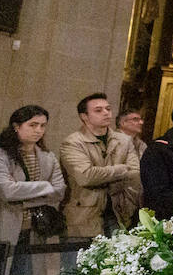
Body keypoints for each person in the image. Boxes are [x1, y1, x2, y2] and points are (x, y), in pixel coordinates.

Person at [0, 105, 66, 275]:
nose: (38, 130)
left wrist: (23, 196)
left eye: (43, 125)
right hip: (3, 230)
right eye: (33, 125)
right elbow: (7, 191)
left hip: (35, 230)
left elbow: (59, 191)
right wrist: (44, 187)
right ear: (16, 126)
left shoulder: (48, 157)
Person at [59, 93, 142, 241]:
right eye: (98, 110)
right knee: (77, 263)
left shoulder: (124, 140)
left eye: (108, 109)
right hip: (83, 217)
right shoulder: (73, 142)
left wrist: (103, 176)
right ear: (84, 116)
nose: (106, 113)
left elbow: (134, 173)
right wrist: (119, 170)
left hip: (117, 214)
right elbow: (86, 176)